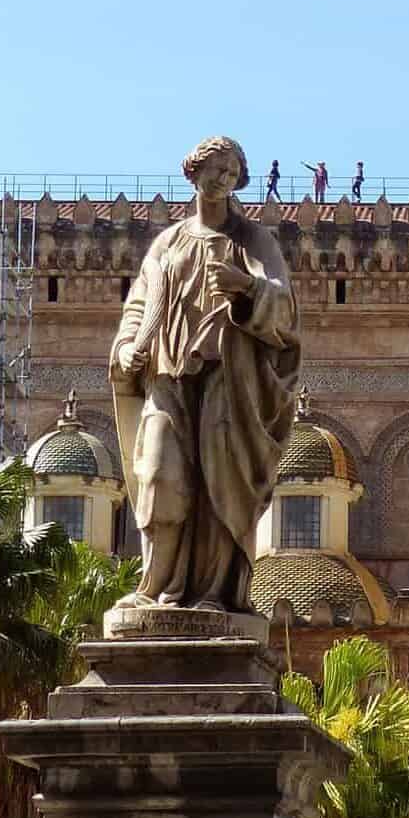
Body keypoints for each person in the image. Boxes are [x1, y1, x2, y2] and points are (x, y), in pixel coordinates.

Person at [109, 134, 299, 612]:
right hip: (167, 377)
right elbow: (140, 305)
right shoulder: (166, 243)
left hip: (226, 380)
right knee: (158, 474)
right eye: (215, 168)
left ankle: (214, 593)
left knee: (221, 485)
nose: (223, 179)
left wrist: (247, 288)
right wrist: (129, 345)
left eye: (232, 173)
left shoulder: (253, 240)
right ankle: (155, 586)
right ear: (192, 172)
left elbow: (284, 305)